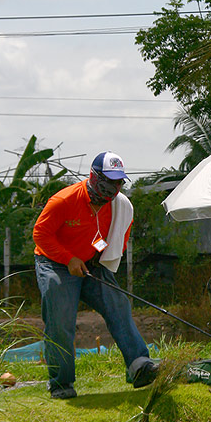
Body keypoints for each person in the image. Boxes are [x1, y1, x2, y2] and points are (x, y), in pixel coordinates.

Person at [33, 151, 159, 399]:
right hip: (55, 263)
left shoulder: (120, 207)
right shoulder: (64, 201)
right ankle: (61, 383)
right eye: (109, 181)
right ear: (94, 176)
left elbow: (117, 240)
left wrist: (95, 256)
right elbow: (41, 234)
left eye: (119, 182)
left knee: (118, 303)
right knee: (60, 317)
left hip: (91, 263)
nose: (114, 188)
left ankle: (139, 366)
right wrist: (69, 259)